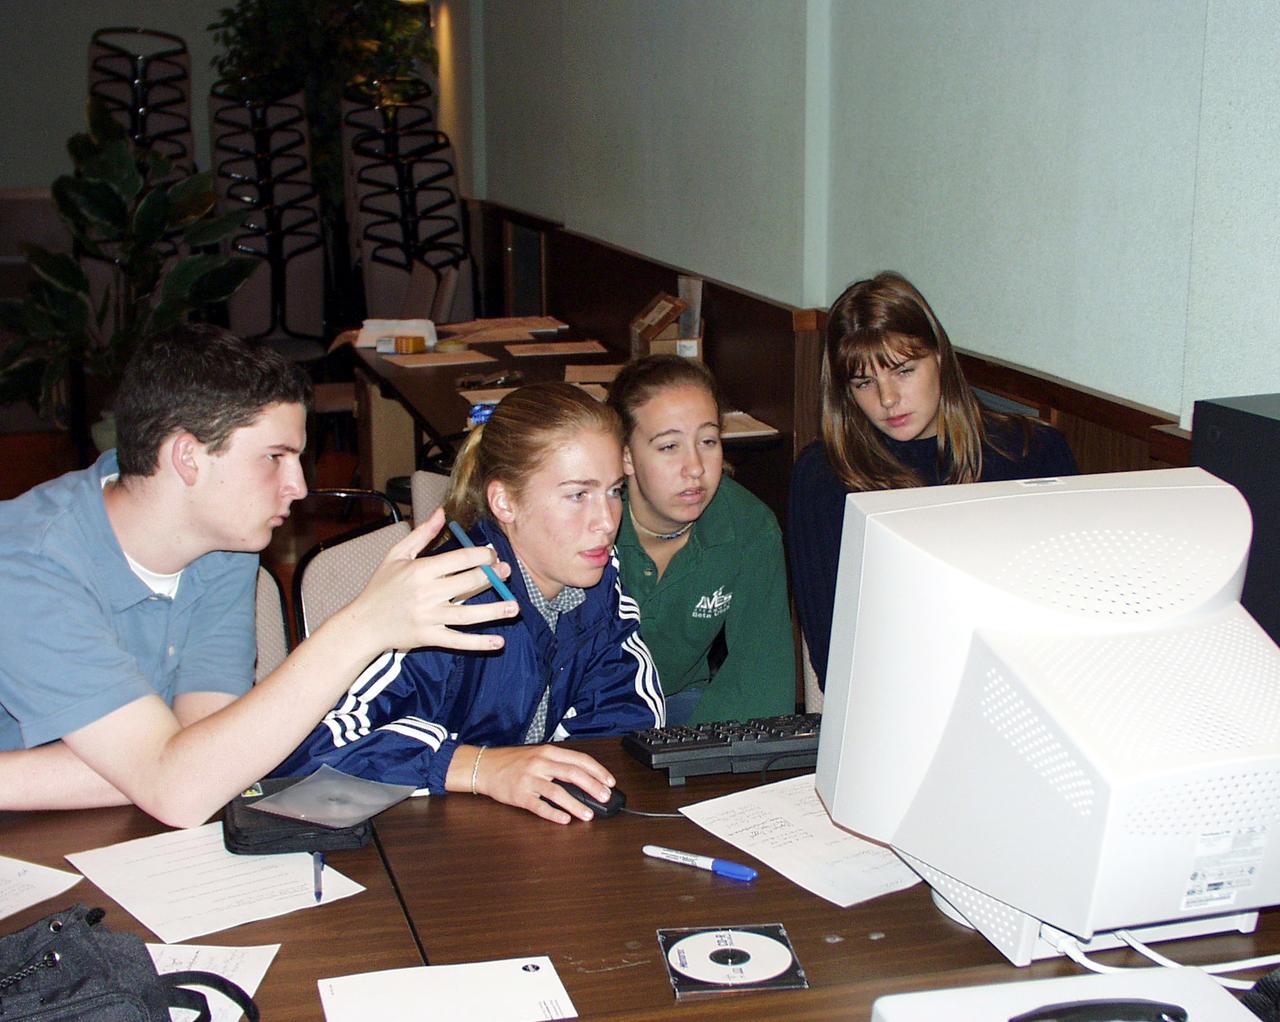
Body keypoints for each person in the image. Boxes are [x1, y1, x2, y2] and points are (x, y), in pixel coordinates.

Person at [0, 325, 518, 827]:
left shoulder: (221, 540)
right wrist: (362, 626)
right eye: (275, 458)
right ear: (187, 457)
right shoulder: (28, 567)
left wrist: (172, 766)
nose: (297, 485)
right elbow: (185, 788)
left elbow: (206, 756)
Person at [276, 382, 666, 823]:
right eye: (578, 495)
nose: (606, 521)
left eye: (615, 491)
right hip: (412, 846)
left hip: (510, 835)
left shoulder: (595, 579)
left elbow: (628, 713)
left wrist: (562, 768)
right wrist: (477, 767)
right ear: (504, 502)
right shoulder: (446, 602)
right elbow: (308, 753)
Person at [790, 271, 1078, 688]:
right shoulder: (825, 479)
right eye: (864, 382)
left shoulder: (1032, 451)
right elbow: (834, 655)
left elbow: (1070, 609)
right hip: (898, 696)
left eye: (903, 371)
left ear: (939, 358)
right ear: (845, 392)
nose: (887, 399)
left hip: (1032, 683)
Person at [606, 355, 794, 725]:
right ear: (626, 456)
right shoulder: (593, 521)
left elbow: (761, 683)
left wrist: (686, 756)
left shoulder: (749, 528)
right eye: (669, 447)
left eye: (708, 441)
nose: (695, 467)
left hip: (679, 699)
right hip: (587, 705)